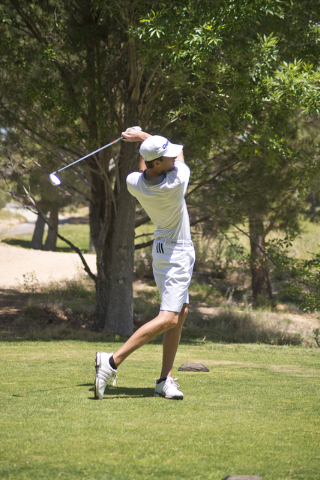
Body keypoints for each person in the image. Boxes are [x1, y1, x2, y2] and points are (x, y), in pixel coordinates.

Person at [94, 129, 195, 400]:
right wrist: (142, 135)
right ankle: (111, 361)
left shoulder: (132, 182)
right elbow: (180, 156)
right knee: (169, 317)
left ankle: (165, 379)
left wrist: (143, 143)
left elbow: (144, 168)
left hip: (162, 249)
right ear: (158, 163)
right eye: (168, 156)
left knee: (180, 312)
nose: (174, 157)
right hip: (176, 254)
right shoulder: (176, 181)